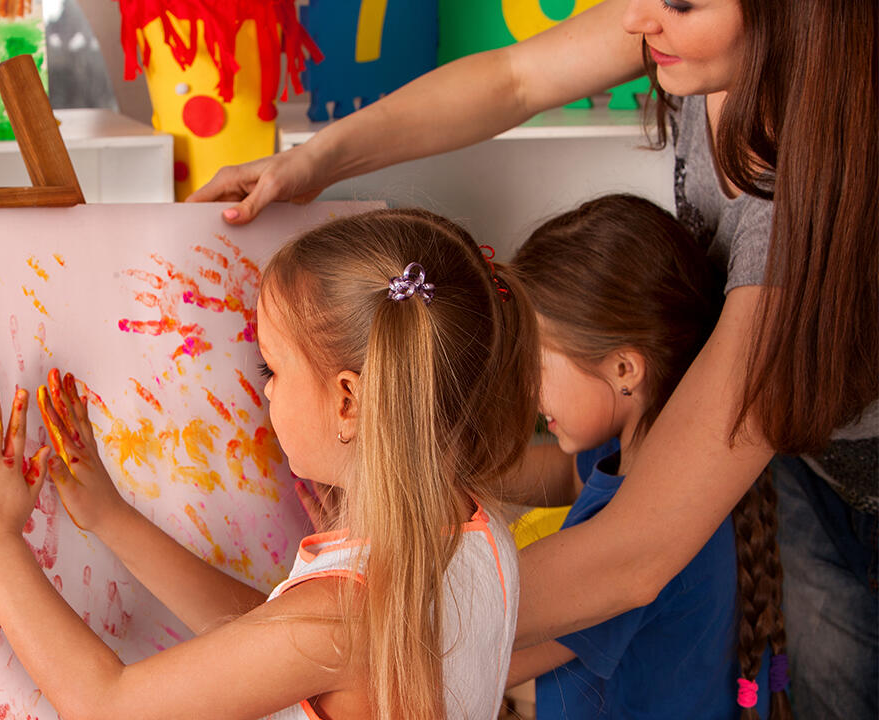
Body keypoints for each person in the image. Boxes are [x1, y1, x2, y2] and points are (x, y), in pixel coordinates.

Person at [190, 1, 878, 716]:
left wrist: (348, 621)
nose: (638, 17)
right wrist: (312, 161)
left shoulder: (796, 219)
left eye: (680, 1)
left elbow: (633, 555)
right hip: (803, 449)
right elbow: (513, 78)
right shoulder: (692, 37)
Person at [0, 208, 539, 720]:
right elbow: (271, 640)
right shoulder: (482, 536)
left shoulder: (342, 617)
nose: (265, 392)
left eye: (270, 369)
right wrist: (112, 518)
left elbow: (107, 707)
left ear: (348, 401)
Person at [503, 194, 783, 718]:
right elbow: (566, 475)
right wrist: (454, 479)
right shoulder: (645, 453)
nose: (527, 389)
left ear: (625, 370)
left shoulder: (640, 537)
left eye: (538, 365)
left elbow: (488, 657)